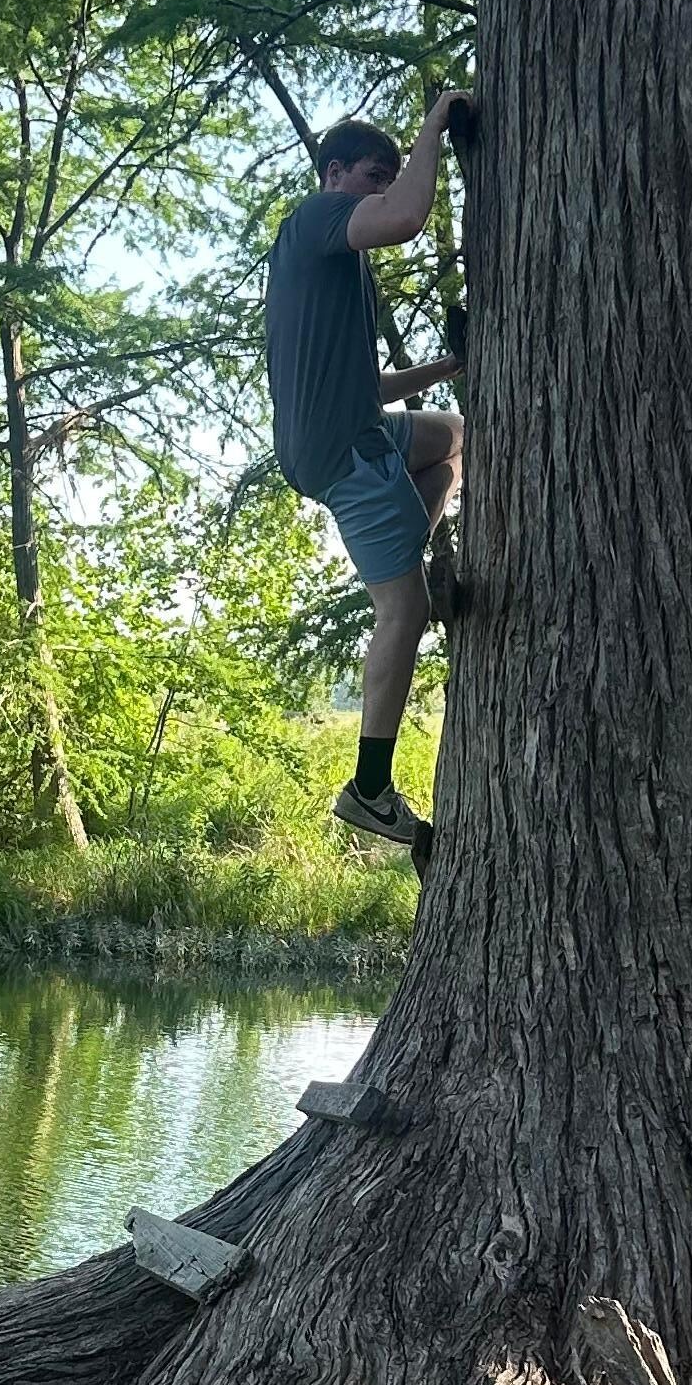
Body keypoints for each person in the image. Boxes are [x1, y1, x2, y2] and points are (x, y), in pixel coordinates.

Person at [265, 96, 472, 853]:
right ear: (334, 173)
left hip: (354, 428)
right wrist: (434, 127)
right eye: (372, 176)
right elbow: (408, 218)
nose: (381, 189)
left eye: (388, 177)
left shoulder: (334, 268)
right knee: (402, 611)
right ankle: (370, 790)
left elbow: (366, 383)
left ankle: (416, 559)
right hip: (344, 450)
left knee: (455, 437)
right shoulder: (317, 218)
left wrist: (450, 366)